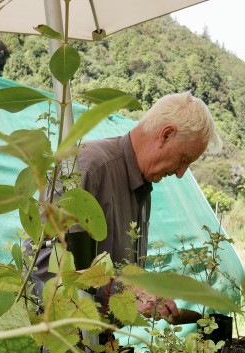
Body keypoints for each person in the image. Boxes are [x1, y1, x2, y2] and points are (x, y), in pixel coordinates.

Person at [26, 91, 221, 320]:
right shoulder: (88, 168)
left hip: (99, 342)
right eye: (183, 159)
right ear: (166, 135)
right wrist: (128, 290)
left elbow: (111, 268)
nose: (180, 173)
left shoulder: (142, 183)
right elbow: (40, 260)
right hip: (58, 337)